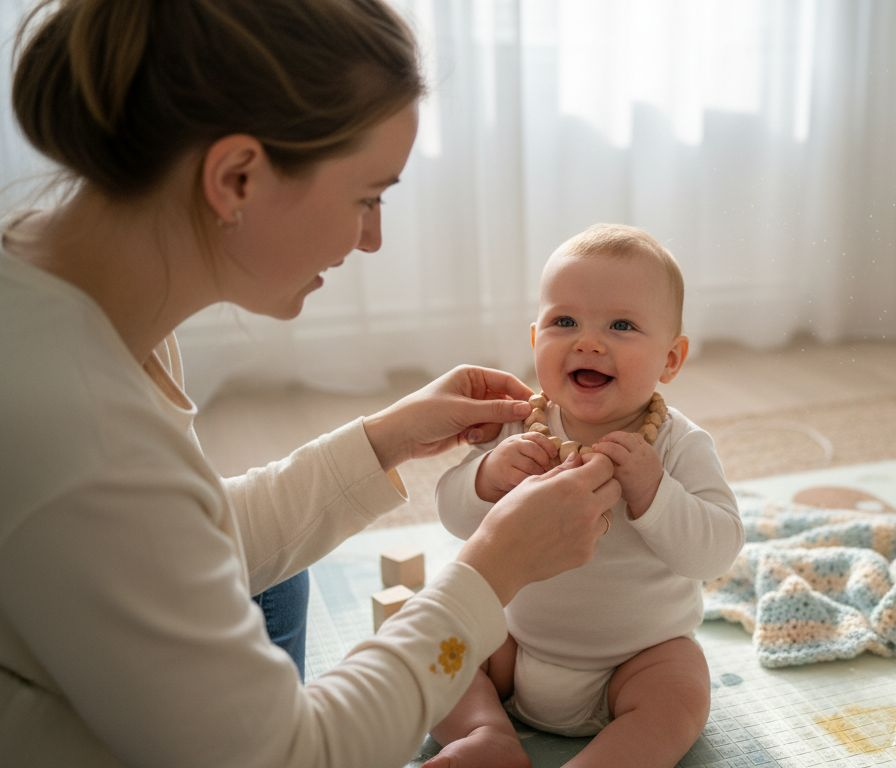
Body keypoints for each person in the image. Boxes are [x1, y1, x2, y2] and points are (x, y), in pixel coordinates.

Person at [0, 1, 621, 766]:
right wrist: (493, 570)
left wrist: (383, 440)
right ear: (236, 177)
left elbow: (174, 534)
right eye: (368, 197)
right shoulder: (77, 430)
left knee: (277, 584)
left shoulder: (84, 310)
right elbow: (287, 754)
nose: (373, 238)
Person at [430, 224, 745, 767]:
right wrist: (487, 477)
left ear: (671, 359)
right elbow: (453, 515)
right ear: (535, 341)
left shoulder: (677, 445)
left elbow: (718, 551)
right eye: (565, 321)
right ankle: (485, 737)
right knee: (435, 651)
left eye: (621, 325)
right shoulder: (520, 429)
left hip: (637, 661)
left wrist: (654, 494)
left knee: (682, 691)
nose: (589, 341)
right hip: (516, 643)